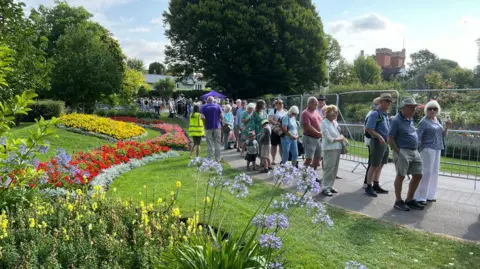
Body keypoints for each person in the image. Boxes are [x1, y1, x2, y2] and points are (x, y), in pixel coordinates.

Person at [389, 97, 425, 211]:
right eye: (412, 108)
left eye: (415, 108)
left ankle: (409, 199)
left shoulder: (410, 118)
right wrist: (398, 151)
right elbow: (390, 138)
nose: (414, 110)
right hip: (402, 151)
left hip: (414, 150)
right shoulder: (396, 120)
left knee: (418, 174)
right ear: (404, 108)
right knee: (401, 175)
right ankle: (398, 201)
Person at [414, 100, 452, 205]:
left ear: (437, 110)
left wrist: (447, 127)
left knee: (434, 172)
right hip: (427, 149)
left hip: (437, 148)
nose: (432, 110)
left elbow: (443, 135)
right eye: (430, 108)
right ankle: (420, 197)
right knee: (426, 172)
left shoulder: (437, 120)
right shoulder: (424, 121)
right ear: (426, 110)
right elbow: (418, 137)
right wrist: (417, 150)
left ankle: (430, 195)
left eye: (435, 108)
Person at [364, 93, 393, 197]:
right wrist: (379, 136)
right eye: (386, 101)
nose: (388, 104)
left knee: (380, 164)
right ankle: (368, 186)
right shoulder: (375, 114)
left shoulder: (385, 115)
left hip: (384, 142)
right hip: (377, 142)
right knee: (374, 164)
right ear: (381, 102)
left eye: (389, 102)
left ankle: (376, 184)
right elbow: (368, 128)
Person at [321, 105, 344, 196]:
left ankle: (330, 185)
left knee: (334, 168)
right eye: (335, 112)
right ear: (329, 112)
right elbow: (328, 138)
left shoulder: (334, 122)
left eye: (337, 112)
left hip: (337, 147)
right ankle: (325, 187)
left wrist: (340, 138)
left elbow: (339, 133)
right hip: (329, 148)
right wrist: (339, 139)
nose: (336, 114)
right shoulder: (324, 123)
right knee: (329, 168)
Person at [363, 97, 381, 188]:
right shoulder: (372, 114)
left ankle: (372, 182)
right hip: (371, 141)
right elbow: (368, 130)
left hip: (374, 140)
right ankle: (367, 182)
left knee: (374, 162)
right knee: (372, 162)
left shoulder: (377, 114)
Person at [301, 97, 323, 172]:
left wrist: (322, 133)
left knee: (317, 157)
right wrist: (318, 133)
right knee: (309, 158)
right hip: (309, 138)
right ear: (309, 104)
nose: (316, 105)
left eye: (317, 104)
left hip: (318, 139)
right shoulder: (305, 113)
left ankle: (312, 176)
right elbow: (307, 126)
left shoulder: (316, 112)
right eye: (315, 104)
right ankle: (303, 175)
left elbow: (321, 123)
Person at [200, 96, 223, 162]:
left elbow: (202, 117)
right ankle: (217, 159)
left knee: (209, 143)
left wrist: (205, 124)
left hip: (208, 127)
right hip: (217, 127)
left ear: (207, 100)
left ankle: (210, 158)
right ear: (213, 100)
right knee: (217, 143)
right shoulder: (217, 106)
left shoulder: (203, 107)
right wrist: (219, 120)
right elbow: (222, 116)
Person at [268, 99, 287, 165]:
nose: (280, 104)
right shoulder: (273, 111)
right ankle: (273, 159)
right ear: (276, 104)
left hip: (282, 131)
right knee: (274, 145)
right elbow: (270, 120)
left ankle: (282, 159)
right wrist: (277, 123)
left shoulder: (285, 111)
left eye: (281, 103)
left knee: (281, 145)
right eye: (279, 103)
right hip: (275, 130)